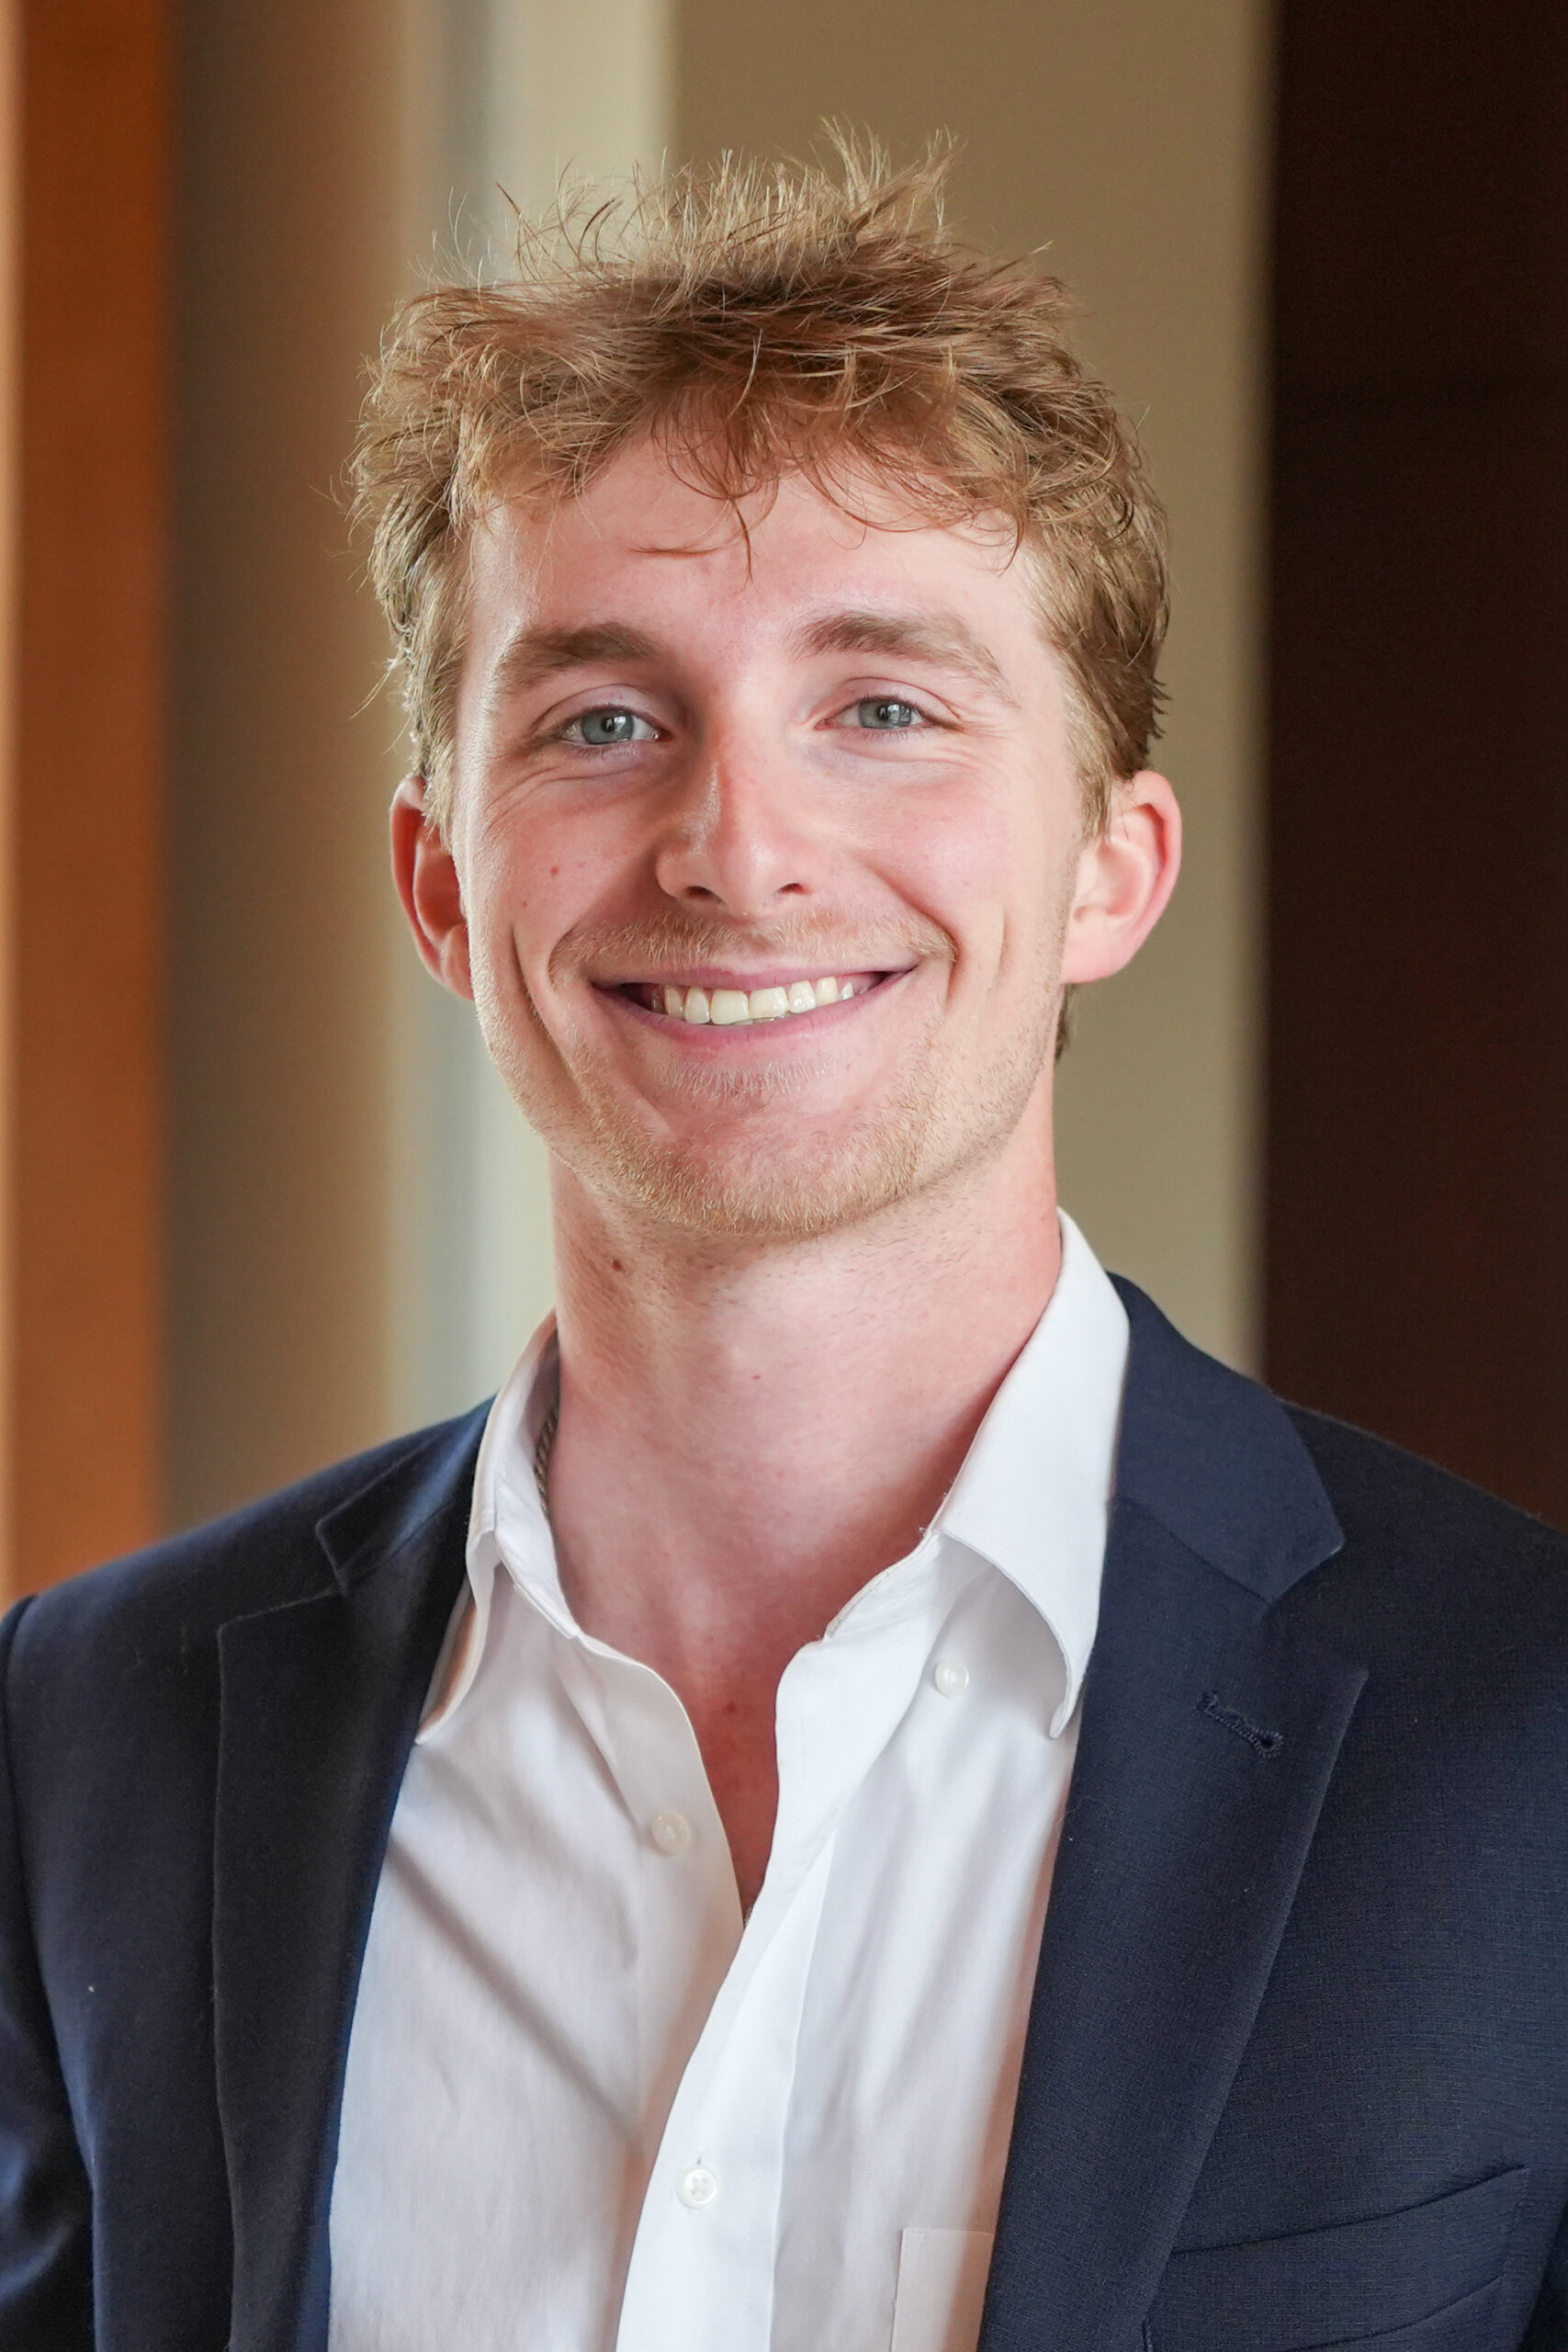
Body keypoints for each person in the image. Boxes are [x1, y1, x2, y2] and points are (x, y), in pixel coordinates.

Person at [2, 145, 1566, 2352]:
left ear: (1111, 869)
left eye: (886, 708)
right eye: (602, 718)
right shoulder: (87, 1736)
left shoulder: (1523, 1734)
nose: (737, 847)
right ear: (445, 889)